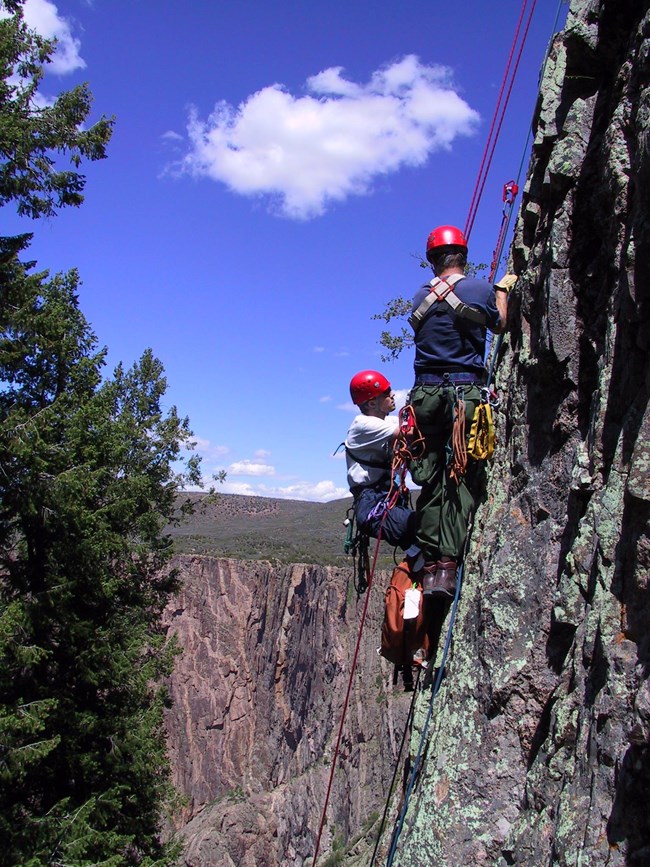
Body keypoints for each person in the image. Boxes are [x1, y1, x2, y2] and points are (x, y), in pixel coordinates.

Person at [407, 225, 513, 597]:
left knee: (431, 477)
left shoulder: (421, 295)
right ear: (463, 257)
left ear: (432, 260)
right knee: (458, 474)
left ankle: (430, 558)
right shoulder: (479, 290)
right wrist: (501, 292)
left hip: (424, 396)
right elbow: (500, 324)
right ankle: (447, 567)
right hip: (461, 395)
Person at [345, 370, 421, 561]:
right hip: (373, 505)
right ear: (372, 403)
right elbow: (411, 431)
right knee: (425, 526)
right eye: (387, 393)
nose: (393, 394)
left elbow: (407, 423)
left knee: (421, 539)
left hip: (385, 499)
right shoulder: (363, 424)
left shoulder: (385, 422)